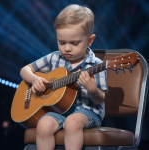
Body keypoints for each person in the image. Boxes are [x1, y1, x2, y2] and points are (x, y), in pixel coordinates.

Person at [20, 4, 108, 150]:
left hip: (88, 111)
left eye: (74, 43)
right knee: (43, 124)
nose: (67, 48)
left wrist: (93, 89)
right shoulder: (54, 57)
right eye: (61, 42)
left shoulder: (97, 65)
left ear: (90, 40)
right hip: (59, 111)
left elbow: (99, 99)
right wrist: (34, 79)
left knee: (72, 123)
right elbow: (24, 70)